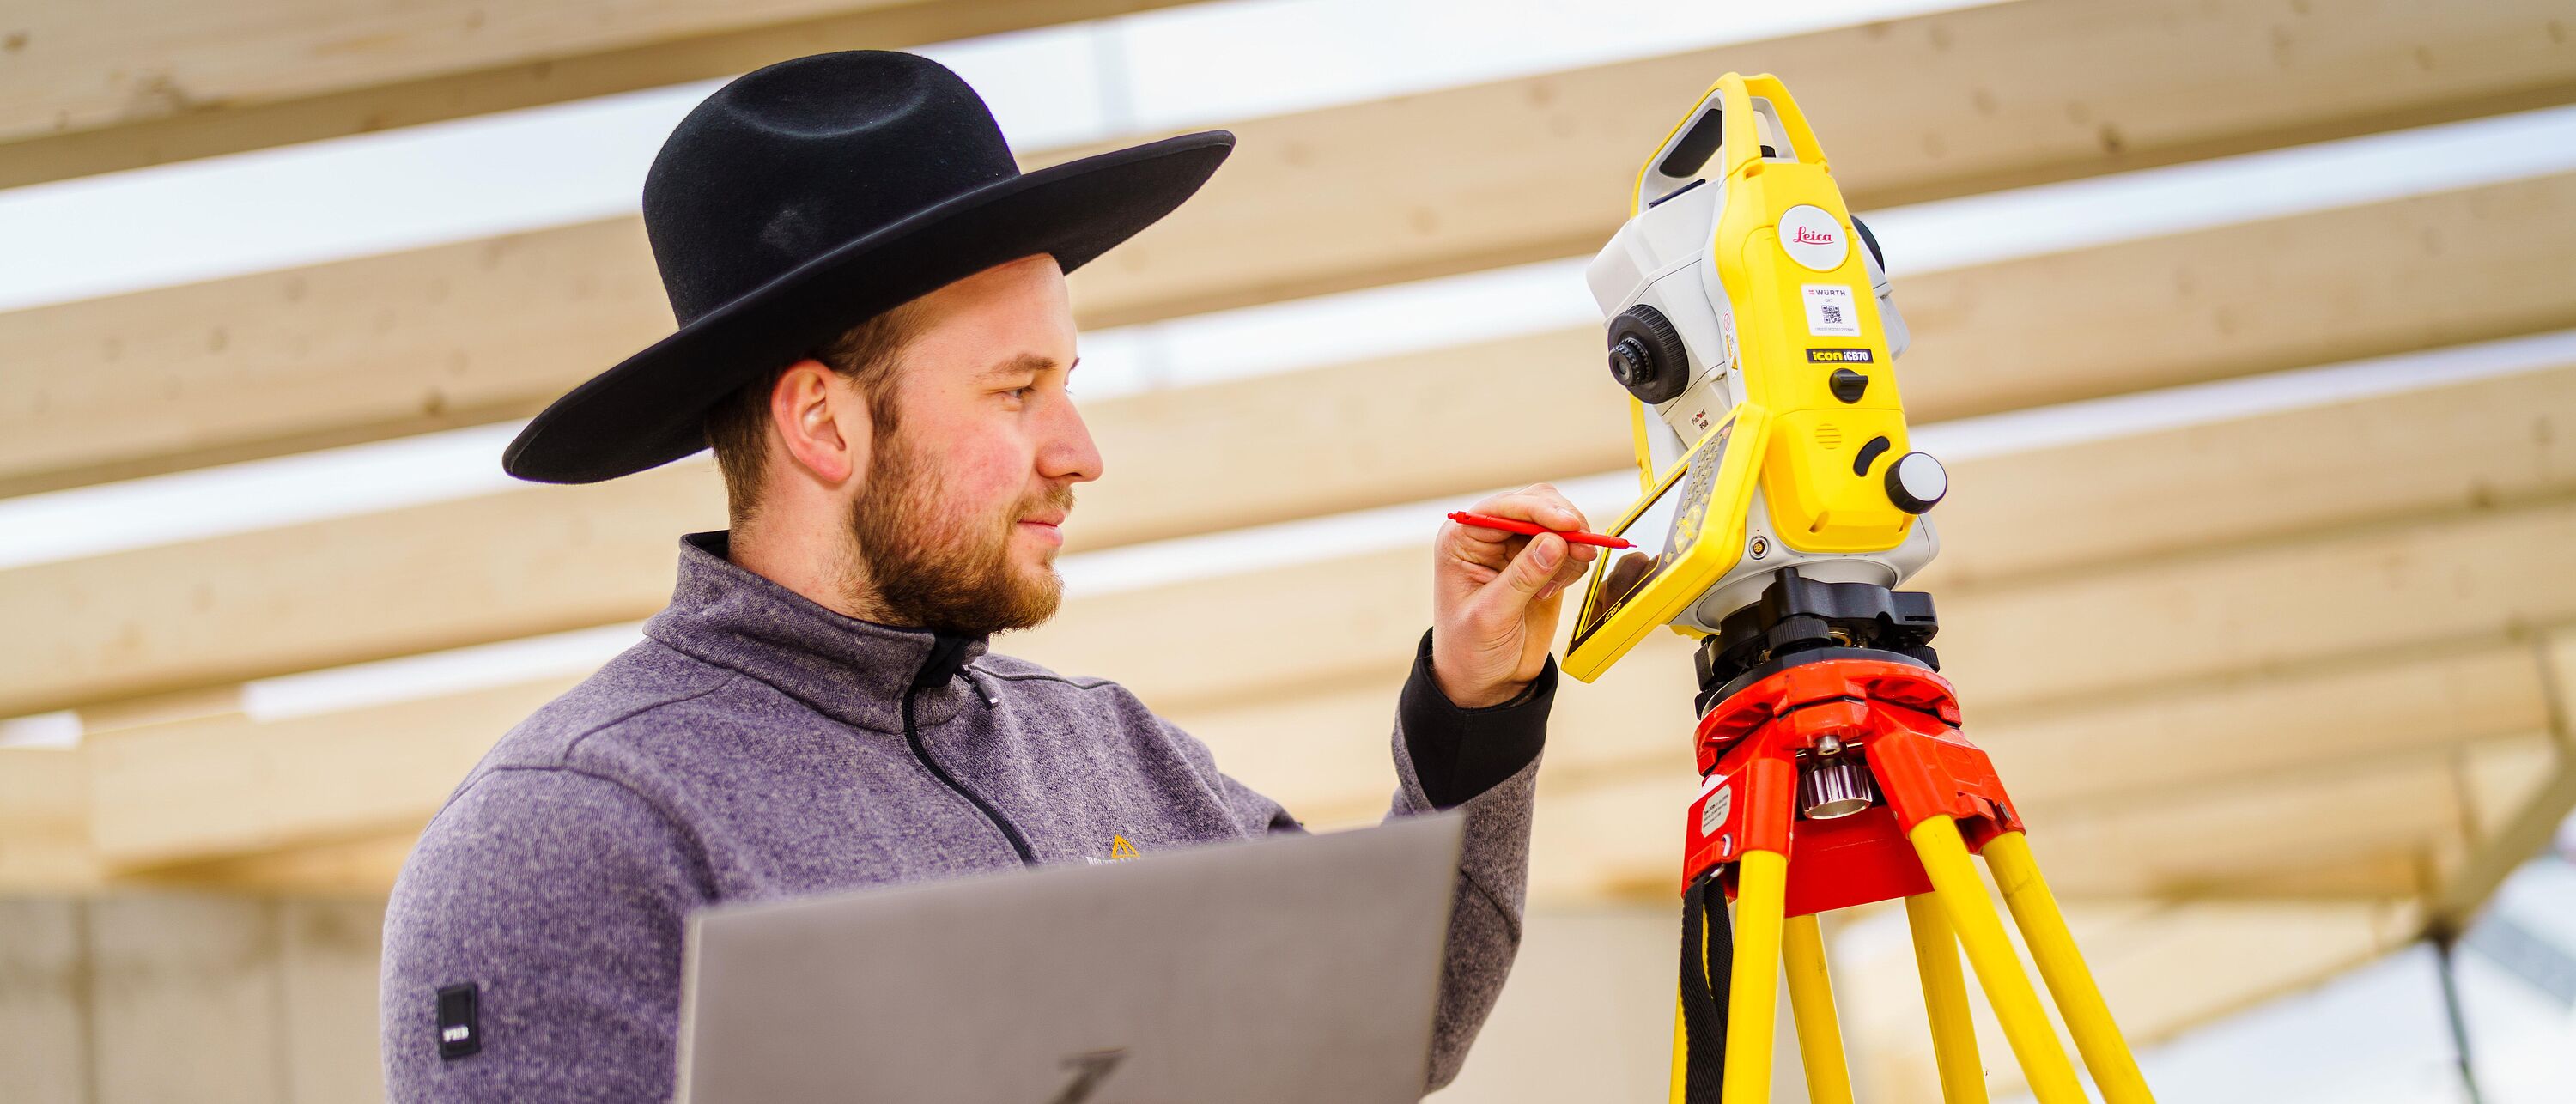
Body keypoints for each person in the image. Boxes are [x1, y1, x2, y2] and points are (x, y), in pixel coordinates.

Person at [379, 50, 1595, 1101]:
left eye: (1069, 380)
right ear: (822, 421)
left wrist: (1473, 704)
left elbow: (1382, 1026)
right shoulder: (564, 835)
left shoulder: (1108, 749)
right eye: (1019, 389)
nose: (1081, 452)